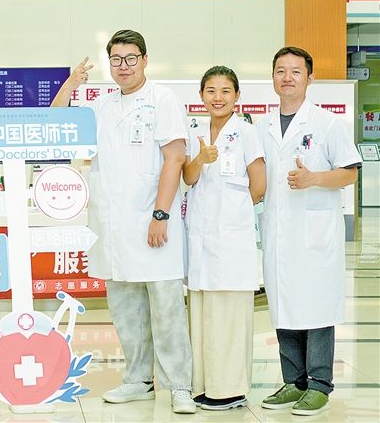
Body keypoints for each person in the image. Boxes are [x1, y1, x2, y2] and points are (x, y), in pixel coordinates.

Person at [51, 30, 195, 414]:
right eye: (116, 59)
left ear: (145, 60)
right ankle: (138, 379)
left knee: (166, 309)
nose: (123, 66)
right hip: (113, 225)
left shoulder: (162, 99)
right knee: (126, 309)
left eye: (131, 58)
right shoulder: (101, 105)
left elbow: (175, 158)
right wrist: (71, 84)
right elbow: (55, 122)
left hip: (153, 221)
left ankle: (179, 385)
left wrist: (160, 214)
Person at [256, 47, 361, 416]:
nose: (287, 77)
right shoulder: (263, 127)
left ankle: (319, 385)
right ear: (273, 77)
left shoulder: (327, 124)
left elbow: (349, 173)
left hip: (315, 236)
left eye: (296, 71)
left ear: (310, 78)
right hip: (278, 232)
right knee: (283, 305)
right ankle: (294, 381)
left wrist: (314, 178)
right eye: (280, 70)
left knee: (316, 308)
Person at [182, 66, 266, 410]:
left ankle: (230, 389)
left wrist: (232, 214)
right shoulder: (195, 132)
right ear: (201, 95)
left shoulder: (247, 132)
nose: (218, 98)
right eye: (211, 91)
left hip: (232, 242)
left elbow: (259, 186)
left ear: (237, 96)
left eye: (225, 91)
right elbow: (188, 178)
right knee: (202, 313)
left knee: (229, 316)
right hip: (201, 239)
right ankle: (204, 385)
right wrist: (201, 159)